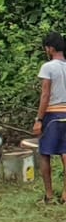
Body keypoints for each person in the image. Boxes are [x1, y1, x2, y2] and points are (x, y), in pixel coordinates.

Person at [32, 31, 66, 204]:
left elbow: (45, 95)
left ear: (50, 48)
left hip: (52, 114)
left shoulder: (48, 67)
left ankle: (49, 195)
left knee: (45, 154)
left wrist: (39, 119)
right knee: (65, 153)